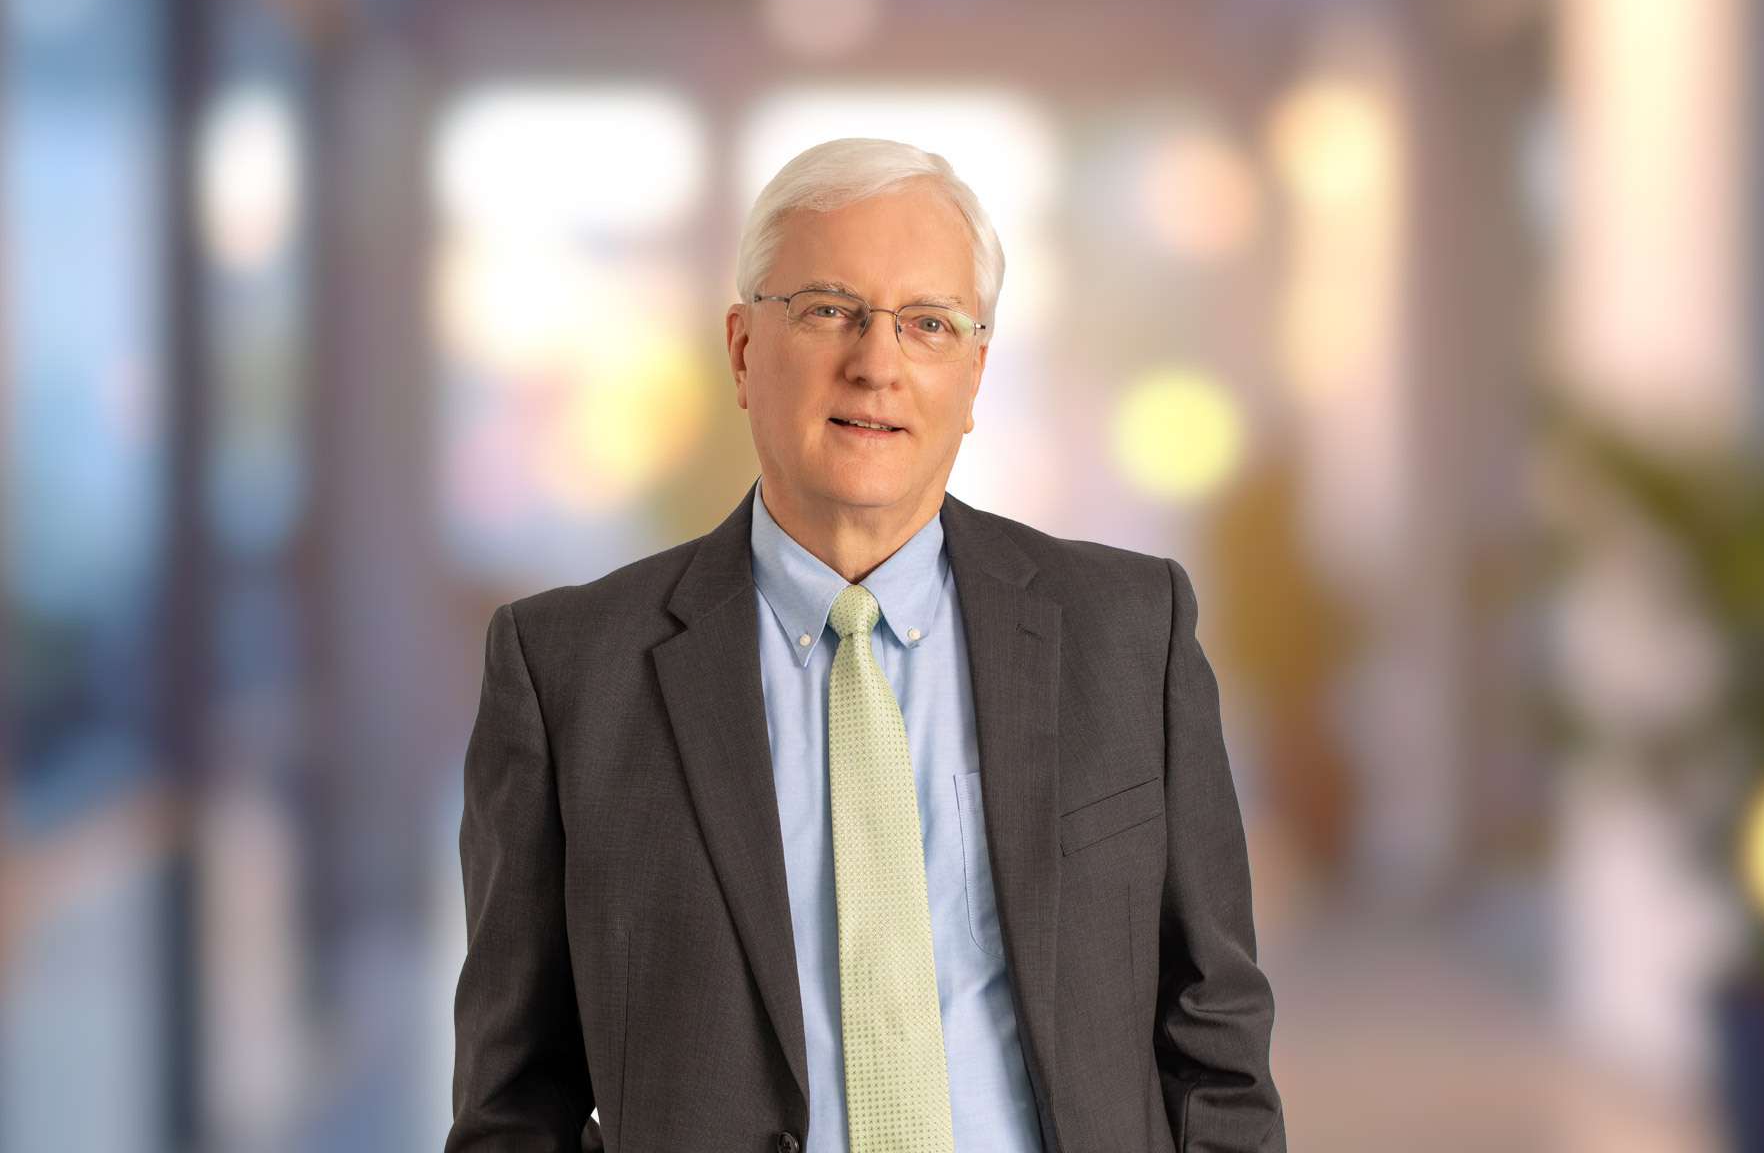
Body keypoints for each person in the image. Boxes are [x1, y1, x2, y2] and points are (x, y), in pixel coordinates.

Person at [446, 138, 1284, 1153]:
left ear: (974, 376)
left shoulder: (1129, 632)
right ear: (745, 350)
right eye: (830, 310)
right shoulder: (568, 674)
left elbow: (1216, 1040)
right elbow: (512, 1105)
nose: (876, 363)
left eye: (926, 324)